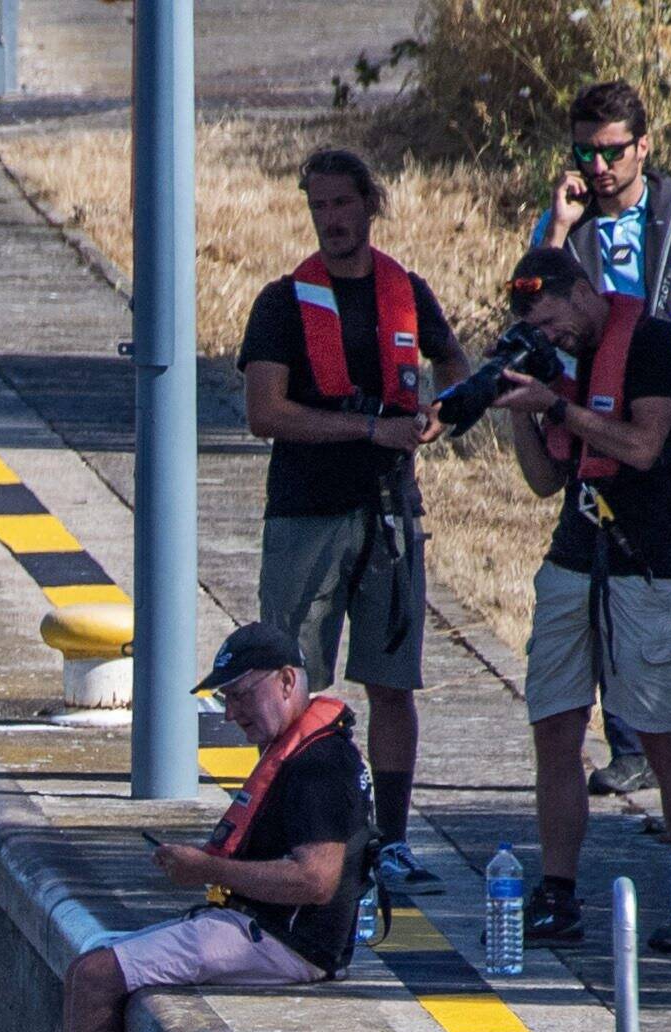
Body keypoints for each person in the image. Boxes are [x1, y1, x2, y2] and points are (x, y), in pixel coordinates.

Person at [0, 621, 369, 1032]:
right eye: (224, 699)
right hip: (263, 928)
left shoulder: (322, 763)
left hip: (286, 945)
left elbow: (316, 879)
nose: (233, 713)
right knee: (105, 958)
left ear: (287, 681)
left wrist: (207, 869)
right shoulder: (306, 749)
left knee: (96, 976)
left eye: (242, 694)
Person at [482, 245, 671, 953]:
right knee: (554, 728)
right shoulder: (557, 363)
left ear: (582, 291)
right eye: (539, 327)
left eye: (554, 320)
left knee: (662, 737)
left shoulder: (652, 344)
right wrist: (518, 407)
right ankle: (558, 893)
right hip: (574, 559)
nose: (552, 336)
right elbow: (543, 481)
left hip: (647, 566)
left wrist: (557, 401)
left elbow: (644, 446)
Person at [238, 147, 465, 902]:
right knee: (289, 682)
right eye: (320, 207)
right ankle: (293, 828)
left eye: (344, 204)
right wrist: (367, 432)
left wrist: (441, 413)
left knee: (391, 681)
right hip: (307, 514)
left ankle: (391, 841)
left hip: (391, 514)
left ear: (370, 203)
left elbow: (456, 369)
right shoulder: (282, 301)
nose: (333, 220)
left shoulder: (407, 291)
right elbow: (264, 412)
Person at [529, 81, 671, 799]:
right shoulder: (567, 225)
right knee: (595, 561)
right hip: (592, 409)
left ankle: (663, 724)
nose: (599, 164)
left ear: (643, 146)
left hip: (666, 401)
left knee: (665, 569)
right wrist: (557, 228)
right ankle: (626, 738)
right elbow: (535, 296)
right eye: (585, 150)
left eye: (613, 150)